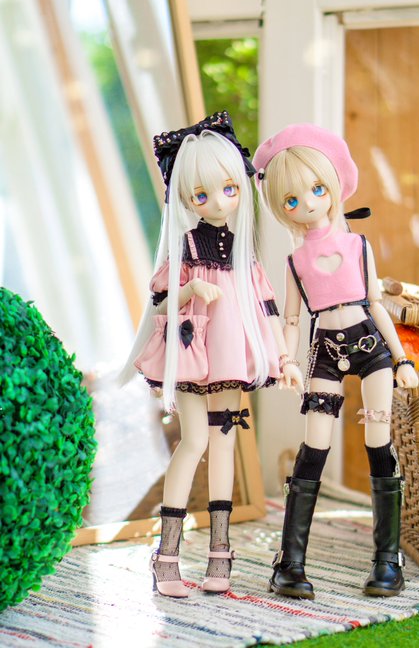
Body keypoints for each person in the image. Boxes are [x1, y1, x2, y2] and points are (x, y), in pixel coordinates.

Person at [120, 111, 302, 598]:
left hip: (231, 360)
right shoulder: (184, 247)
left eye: (229, 189)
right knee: (194, 441)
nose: (219, 202)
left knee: (223, 443)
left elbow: (266, 308)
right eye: (202, 195)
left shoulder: (244, 255)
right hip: (193, 353)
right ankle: (166, 556)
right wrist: (191, 289)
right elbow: (159, 301)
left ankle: (221, 555)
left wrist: (285, 360)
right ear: (185, 199)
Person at [253, 124, 418, 599]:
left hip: (371, 347)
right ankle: (289, 563)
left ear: (332, 187)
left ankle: (387, 559)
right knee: (315, 447)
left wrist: (402, 358)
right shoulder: (295, 262)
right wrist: (285, 360)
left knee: (378, 438)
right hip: (323, 351)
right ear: (281, 207)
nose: (306, 204)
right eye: (291, 200)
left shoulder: (357, 246)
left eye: (316, 190)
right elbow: (291, 319)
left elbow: (377, 305)